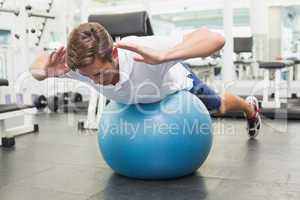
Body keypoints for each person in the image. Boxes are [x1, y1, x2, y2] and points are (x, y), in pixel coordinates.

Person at [30, 22, 261, 138]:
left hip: (176, 86)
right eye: (89, 76)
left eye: (100, 74)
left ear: (113, 54)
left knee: (218, 106)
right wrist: (43, 72)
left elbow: (216, 38)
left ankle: (250, 109)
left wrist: (165, 57)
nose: (96, 82)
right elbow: (37, 66)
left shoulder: (145, 51)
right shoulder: (79, 66)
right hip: (135, 98)